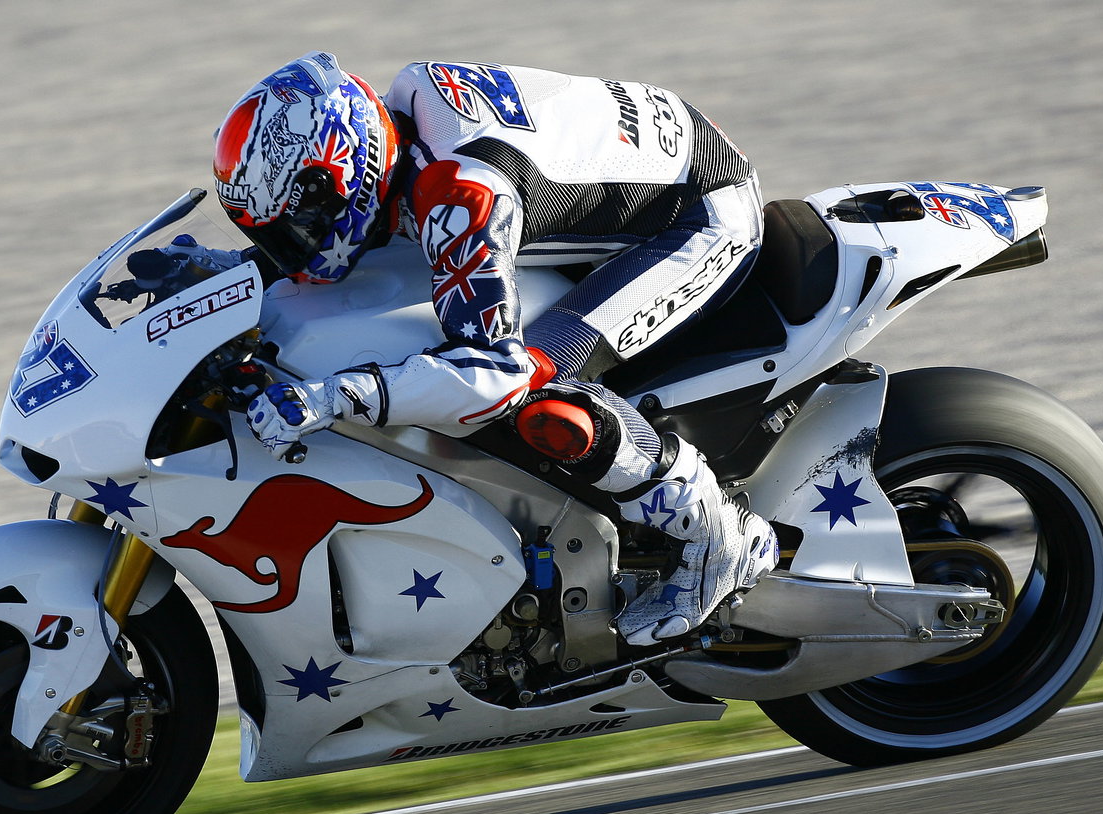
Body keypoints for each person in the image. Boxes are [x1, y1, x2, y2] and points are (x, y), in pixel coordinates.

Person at [207, 52, 776, 646]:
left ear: (339, 177)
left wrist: (334, 398)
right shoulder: (396, 126)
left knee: (544, 398)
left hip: (699, 218)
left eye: (295, 226)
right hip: (647, 157)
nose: (289, 249)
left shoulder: (459, 196)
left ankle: (714, 538)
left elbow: (493, 375)